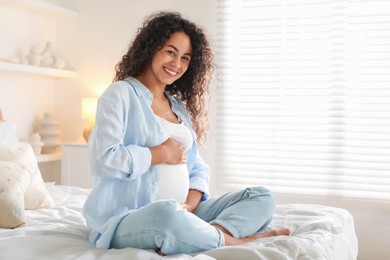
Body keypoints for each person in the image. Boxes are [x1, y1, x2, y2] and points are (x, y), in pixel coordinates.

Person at [83, 11, 290, 256]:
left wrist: (190, 207)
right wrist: (159, 154)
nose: (177, 64)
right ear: (151, 48)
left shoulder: (177, 106)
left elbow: (197, 168)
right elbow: (103, 160)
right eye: (170, 52)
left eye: (185, 57)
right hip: (130, 217)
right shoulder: (120, 94)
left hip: (183, 213)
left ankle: (203, 233)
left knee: (261, 197)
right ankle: (230, 241)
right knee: (166, 213)